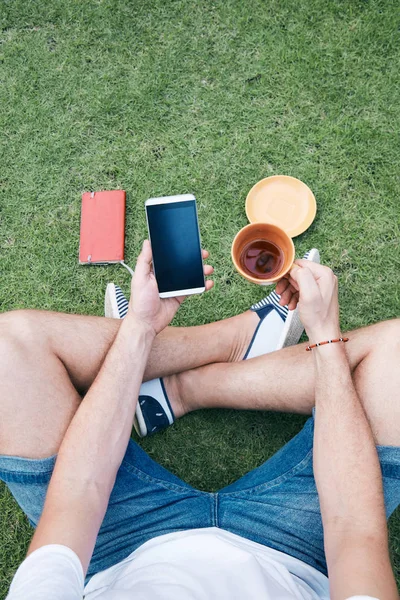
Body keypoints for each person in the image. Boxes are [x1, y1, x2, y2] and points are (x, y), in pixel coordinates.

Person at [1, 241, 399, 599]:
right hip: (297, 553)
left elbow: (79, 494)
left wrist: (140, 329)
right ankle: (212, 365)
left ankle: (199, 367)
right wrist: (325, 336)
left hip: (112, 545)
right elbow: (351, 529)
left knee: (10, 349)